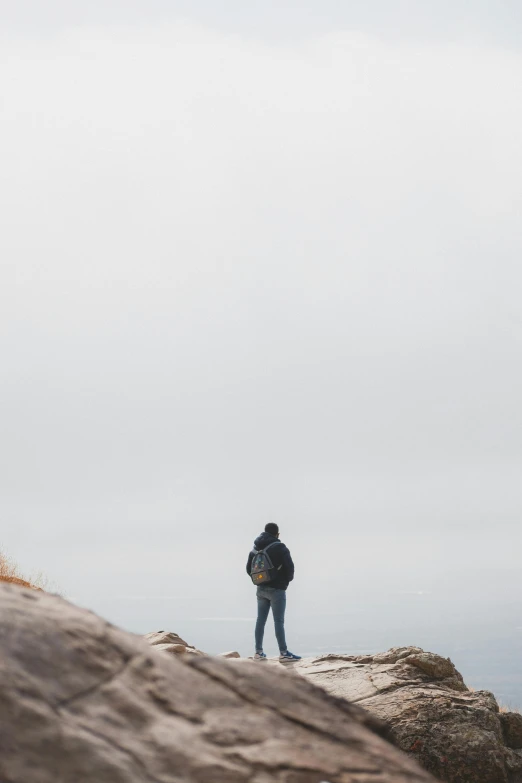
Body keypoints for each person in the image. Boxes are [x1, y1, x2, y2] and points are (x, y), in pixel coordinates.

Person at [246, 522, 301, 661]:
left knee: (260, 620)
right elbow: (290, 568)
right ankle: (283, 653)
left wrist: (261, 580)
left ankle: (258, 653)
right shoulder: (280, 547)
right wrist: (284, 582)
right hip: (277, 589)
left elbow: (248, 569)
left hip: (261, 589)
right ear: (277, 534)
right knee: (278, 621)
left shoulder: (255, 548)